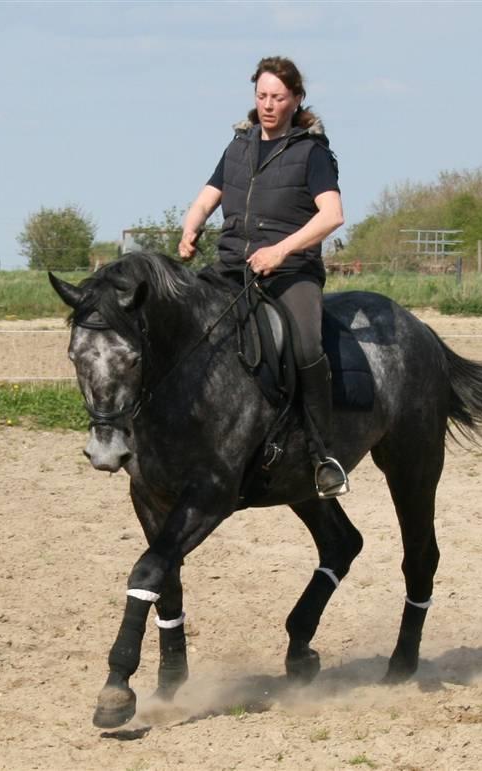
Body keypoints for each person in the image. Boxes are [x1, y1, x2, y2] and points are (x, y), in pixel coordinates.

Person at [178, 55, 349, 498]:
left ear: (296, 99)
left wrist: (281, 250)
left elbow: (332, 215)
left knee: (306, 346)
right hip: (232, 267)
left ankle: (322, 454)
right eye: (262, 96)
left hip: (291, 272)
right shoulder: (239, 146)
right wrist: (191, 225)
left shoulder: (311, 153)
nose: (269, 105)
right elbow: (208, 196)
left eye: (278, 97)